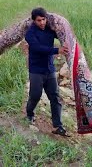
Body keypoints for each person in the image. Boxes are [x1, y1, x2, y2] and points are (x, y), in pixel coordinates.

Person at [25, 7, 69, 136]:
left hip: (49, 69)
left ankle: (58, 125)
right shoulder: (30, 33)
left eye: (44, 19)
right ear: (34, 21)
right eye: (39, 20)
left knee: (55, 97)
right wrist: (57, 50)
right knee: (35, 95)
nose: (42, 22)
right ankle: (29, 114)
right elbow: (38, 48)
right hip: (36, 70)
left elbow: (62, 35)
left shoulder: (50, 29)